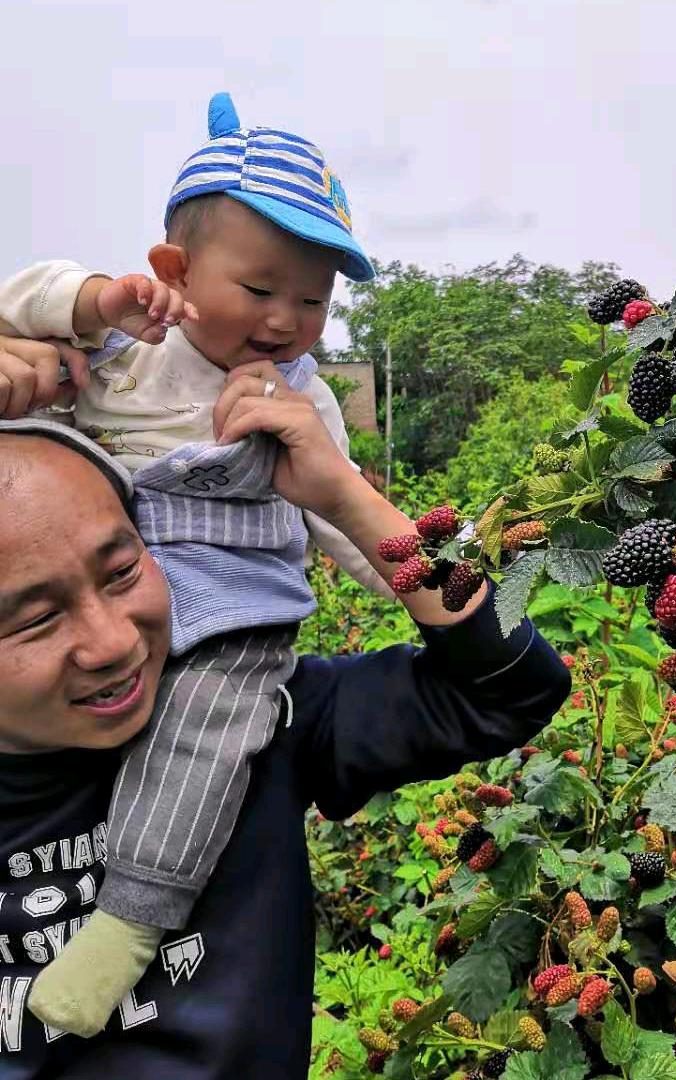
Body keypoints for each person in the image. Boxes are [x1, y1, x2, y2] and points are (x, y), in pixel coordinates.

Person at [0, 90, 462, 1038]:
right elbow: (22, 298)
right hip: (117, 585)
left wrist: (431, 573)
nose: (287, 320)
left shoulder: (307, 404)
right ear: (174, 268)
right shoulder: (127, 340)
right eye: (260, 290)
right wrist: (91, 303)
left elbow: (360, 544)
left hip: (231, 615)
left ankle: (132, 917)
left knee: (206, 736)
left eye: (314, 300)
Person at [0, 398, 570, 1076]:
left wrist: (341, 494)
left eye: (124, 572)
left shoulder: (247, 719)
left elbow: (512, 688)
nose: (113, 642)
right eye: (36, 620)